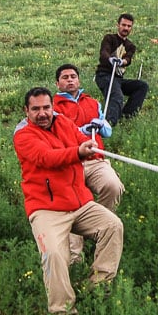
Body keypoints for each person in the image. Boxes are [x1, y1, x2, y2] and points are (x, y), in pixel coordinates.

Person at [13, 86, 123, 315]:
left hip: (79, 203)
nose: (42, 113)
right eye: (36, 109)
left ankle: (98, 287)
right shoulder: (23, 135)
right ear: (26, 111)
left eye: (46, 107)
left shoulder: (62, 122)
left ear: (52, 106)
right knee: (54, 255)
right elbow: (46, 157)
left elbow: (81, 139)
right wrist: (78, 153)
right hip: (46, 209)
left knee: (113, 226)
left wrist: (92, 148)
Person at [54, 63, 125, 212]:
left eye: (73, 77)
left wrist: (102, 125)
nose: (70, 80)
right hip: (68, 163)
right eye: (65, 78)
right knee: (71, 200)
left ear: (79, 81)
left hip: (95, 161)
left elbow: (107, 133)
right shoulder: (52, 107)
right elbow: (56, 133)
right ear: (57, 84)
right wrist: (82, 131)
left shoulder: (92, 103)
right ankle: (76, 231)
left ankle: (101, 224)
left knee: (113, 186)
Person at [94, 12, 149, 125]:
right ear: (118, 25)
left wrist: (122, 62)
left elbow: (128, 59)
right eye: (123, 25)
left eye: (129, 26)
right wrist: (110, 59)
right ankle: (109, 124)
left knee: (142, 86)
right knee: (117, 95)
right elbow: (104, 51)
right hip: (104, 75)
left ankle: (126, 117)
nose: (126, 28)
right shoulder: (109, 38)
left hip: (118, 78)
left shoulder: (131, 46)